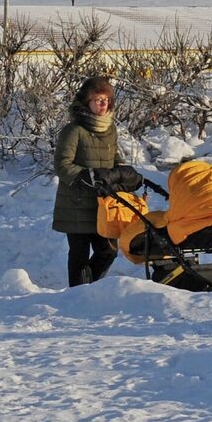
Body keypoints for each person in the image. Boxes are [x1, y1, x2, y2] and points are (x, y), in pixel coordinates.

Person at [51, 75, 135, 287]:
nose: (103, 103)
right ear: (86, 102)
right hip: (76, 203)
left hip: (103, 204)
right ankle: (78, 293)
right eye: (98, 99)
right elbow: (62, 165)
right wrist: (88, 176)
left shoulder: (110, 129)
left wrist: (121, 170)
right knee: (79, 254)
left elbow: (114, 156)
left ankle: (89, 288)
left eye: (106, 99)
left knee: (108, 251)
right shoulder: (74, 130)